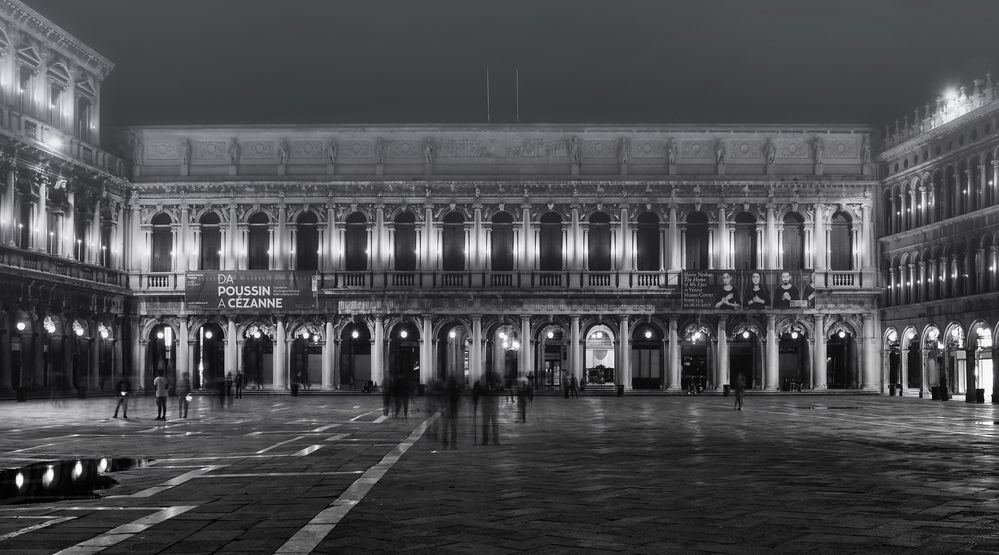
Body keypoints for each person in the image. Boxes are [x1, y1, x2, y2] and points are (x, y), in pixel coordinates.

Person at [441, 376, 460, 448]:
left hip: (447, 410)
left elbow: (443, 400)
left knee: (445, 427)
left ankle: (445, 441)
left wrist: (443, 409)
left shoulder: (445, 390)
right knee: (453, 427)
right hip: (453, 410)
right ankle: (453, 441)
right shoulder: (456, 390)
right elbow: (457, 400)